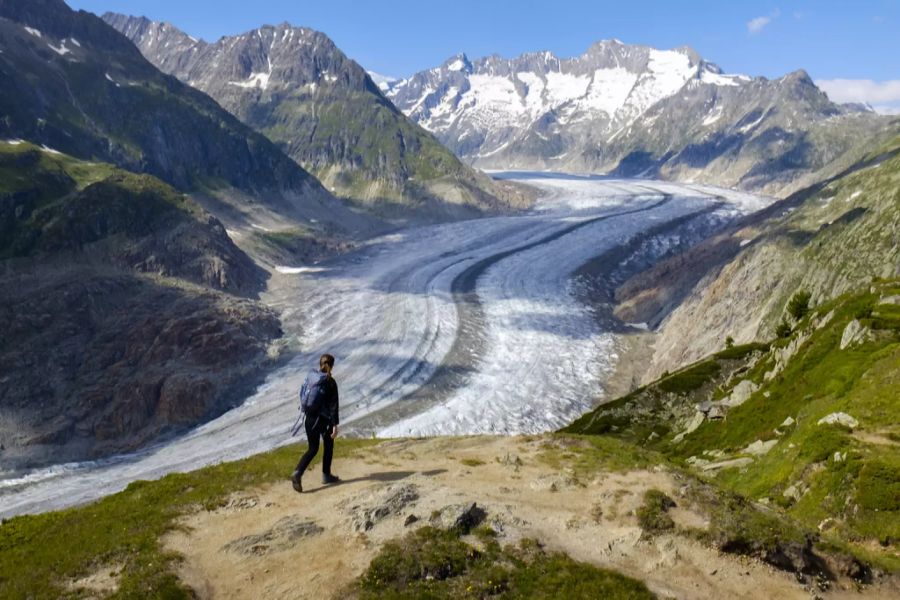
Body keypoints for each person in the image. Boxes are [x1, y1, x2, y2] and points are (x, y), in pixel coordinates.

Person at [291, 353, 340, 493]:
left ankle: (298, 472)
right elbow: (333, 406)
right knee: (328, 444)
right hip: (323, 420)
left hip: (309, 418)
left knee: (312, 448)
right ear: (331, 366)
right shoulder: (330, 381)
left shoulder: (311, 377)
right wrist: (335, 425)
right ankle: (326, 475)